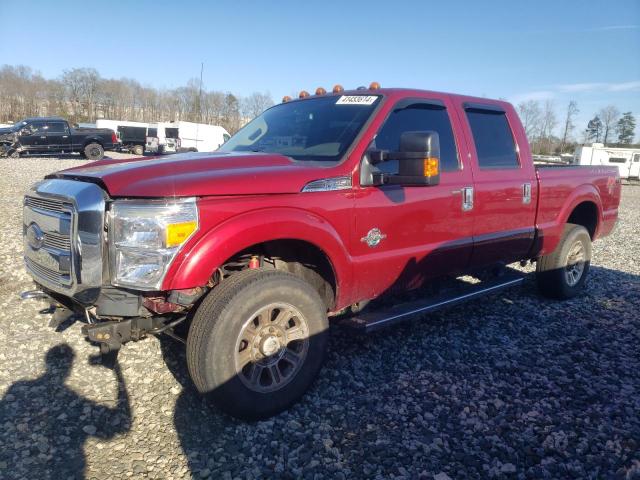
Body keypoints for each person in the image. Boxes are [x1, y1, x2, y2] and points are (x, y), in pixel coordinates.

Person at [0, 344, 131, 480]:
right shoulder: (71, 398)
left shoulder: (18, 388)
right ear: (69, 368)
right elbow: (120, 426)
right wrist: (118, 373)